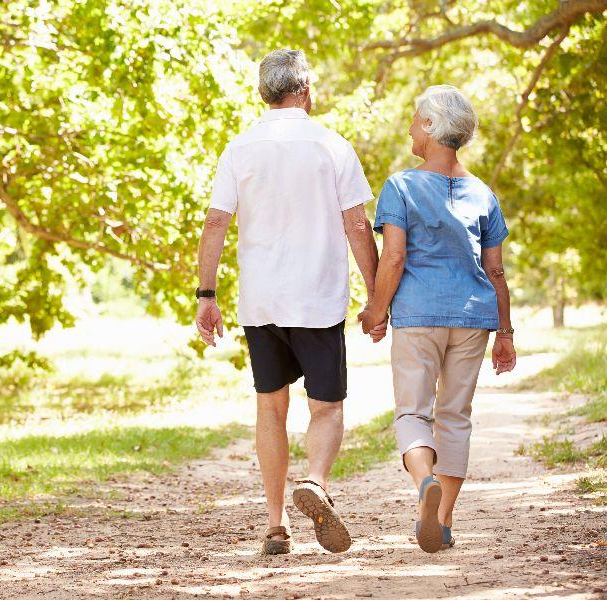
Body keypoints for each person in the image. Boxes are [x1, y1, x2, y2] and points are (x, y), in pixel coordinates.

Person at [195, 49, 378, 555]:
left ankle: (276, 526)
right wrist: (378, 295)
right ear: (304, 89)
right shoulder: (332, 145)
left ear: (264, 92)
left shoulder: (239, 148)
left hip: (262, 300)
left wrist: (206, 295)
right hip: (317, 300)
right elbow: (357, 225)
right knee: (327, 408)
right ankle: (315, 483)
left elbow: (215, 223)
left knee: (270, 409)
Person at [359, 85, 517, 553]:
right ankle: (443, 519)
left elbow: (393, 259)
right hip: (473, 319)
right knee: (454, 417)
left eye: (414, 118)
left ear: (430, 126)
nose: (409, 126)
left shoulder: (401, 186)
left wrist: (375, 310)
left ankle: (424, 481)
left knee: (413, 412)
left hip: (419, 316)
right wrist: (505, 333)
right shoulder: (484, 193)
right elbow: (496, 270)